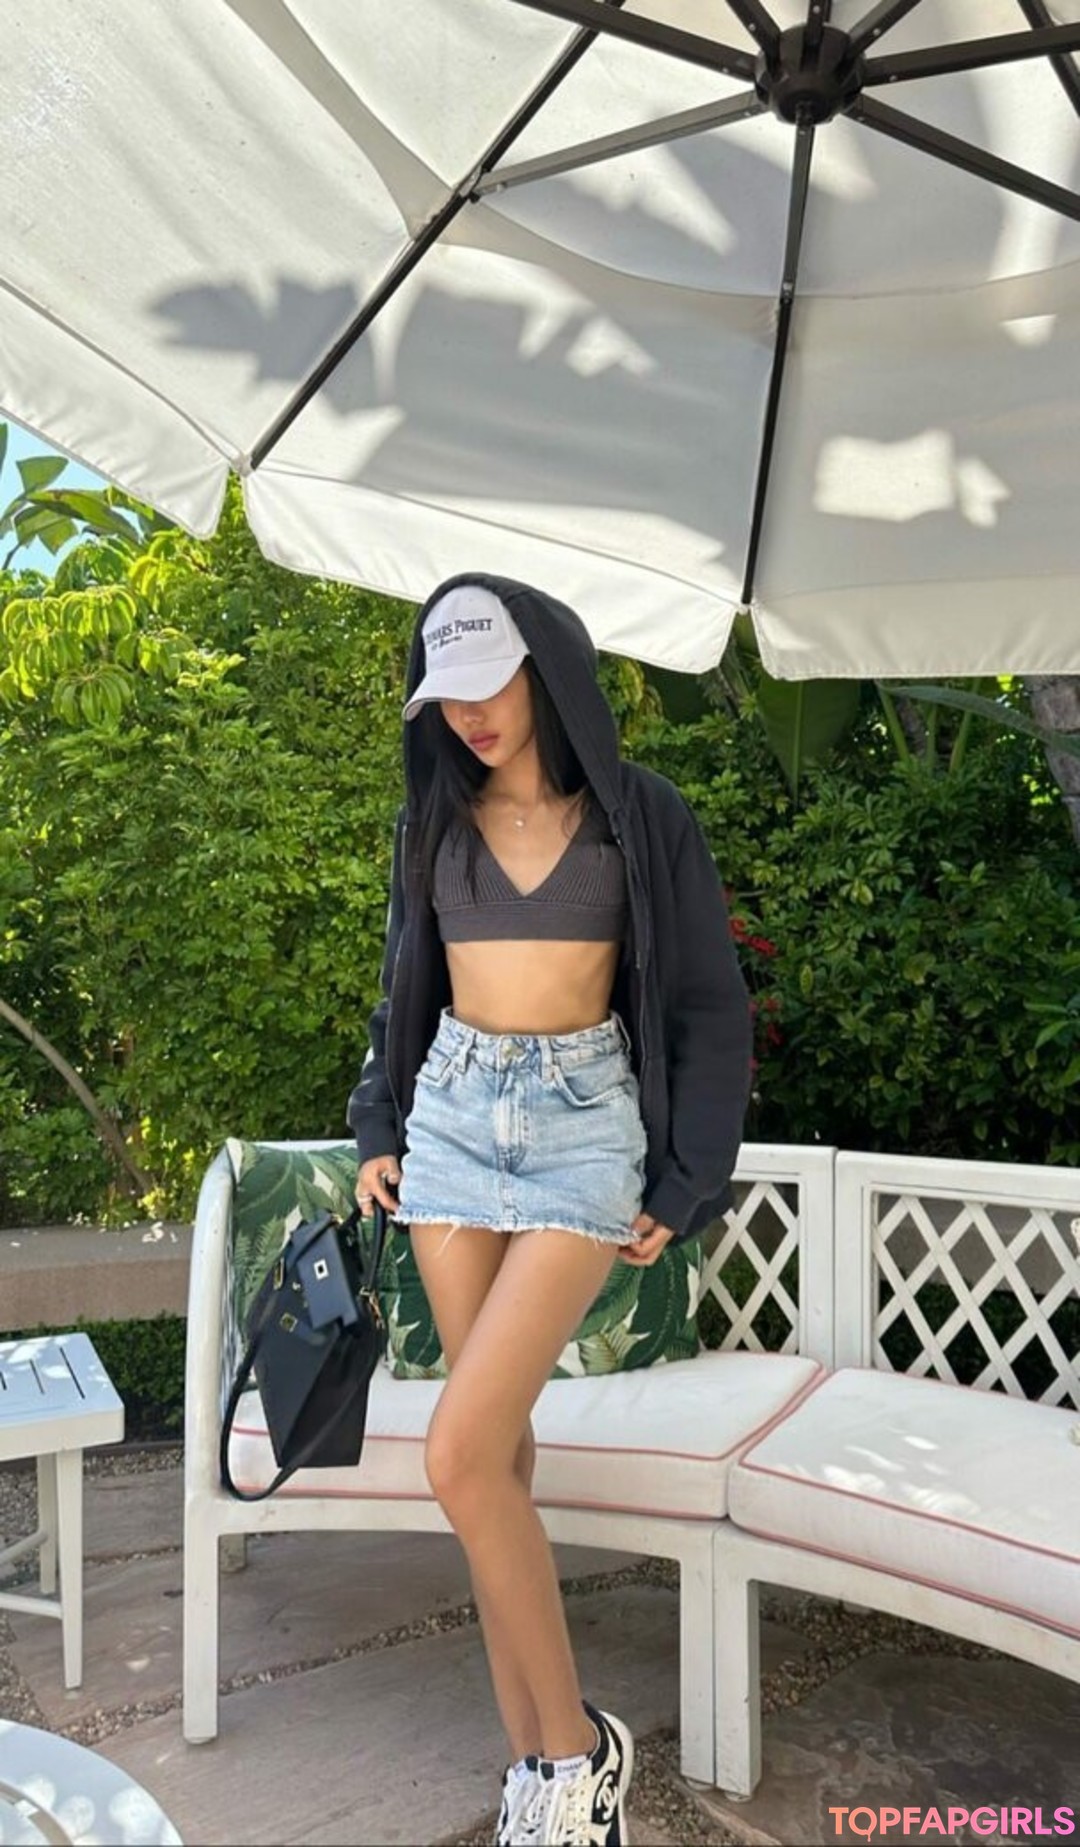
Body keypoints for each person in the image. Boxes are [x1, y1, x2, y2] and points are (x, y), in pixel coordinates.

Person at [348, 575, 751, 1847]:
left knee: (457, 1454)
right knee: (496, 1462)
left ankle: (579, 1756)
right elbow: (400, 990)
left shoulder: (641, 814)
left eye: (490, 683)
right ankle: (538, 1769)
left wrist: (687, 1178)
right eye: (446, 692)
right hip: (453, 1124)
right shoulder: (432, 819)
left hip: (583, 1131)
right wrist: (377, 1124)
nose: (467, 712)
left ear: (547, 671)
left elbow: (708, 1001)